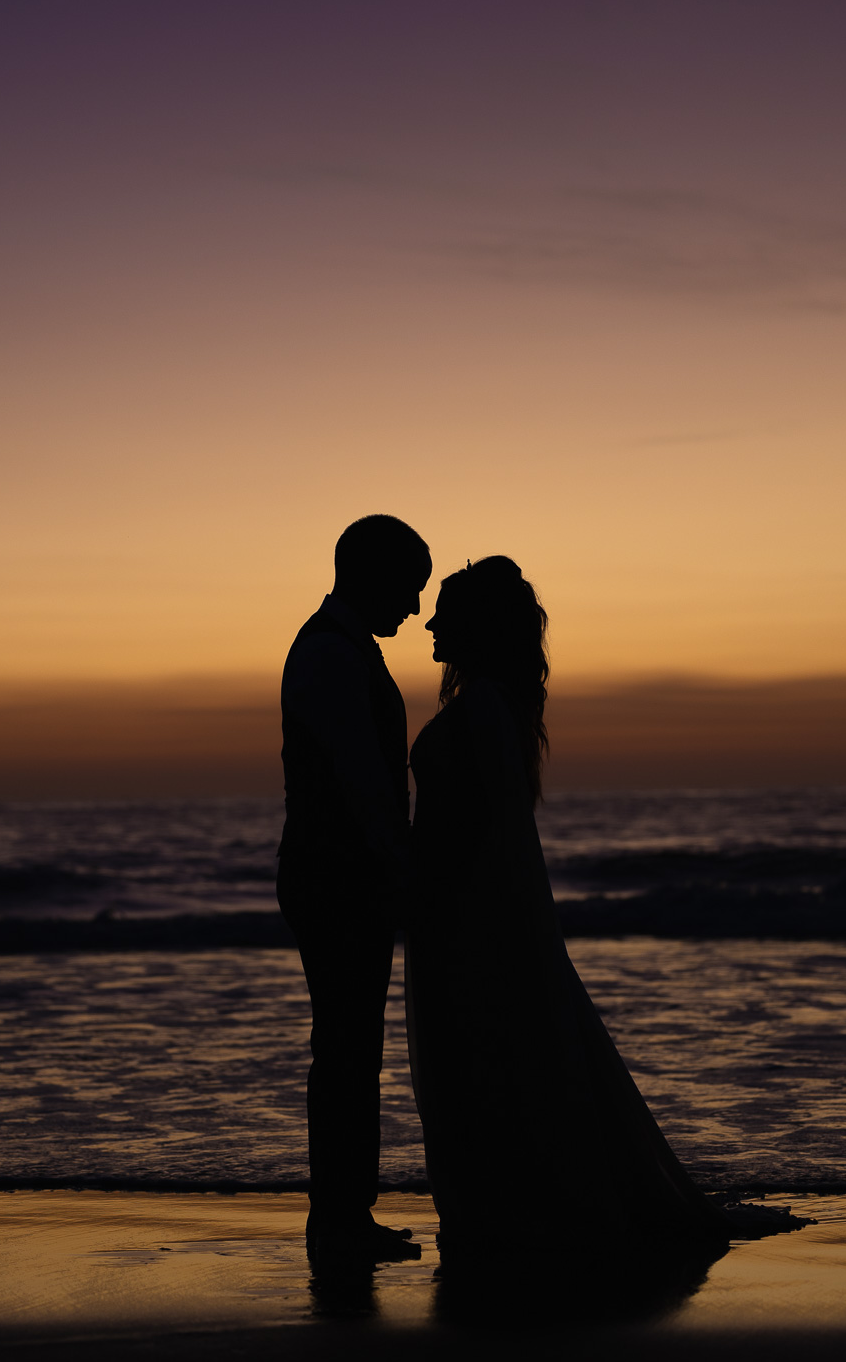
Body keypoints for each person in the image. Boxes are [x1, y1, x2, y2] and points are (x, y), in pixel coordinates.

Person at [406, 556, 797, 1263]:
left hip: (467, 923)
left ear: (479, 626)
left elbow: (499, 838)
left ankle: (510, 1217)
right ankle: (497, 1211)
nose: (430, 623)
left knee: (478, 1066)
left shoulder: (485, 708)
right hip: (451, 917)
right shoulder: (490, 705)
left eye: (446, 612)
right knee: (470, 1068)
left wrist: (489, 926)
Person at [277, 514, 431, 1264]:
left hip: (338, 875)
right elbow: (361, 782)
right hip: (336, 879)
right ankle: (338, 1217)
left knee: (350, 1046)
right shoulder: (331, 656)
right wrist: (399, 866)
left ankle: (344, 1211)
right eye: (409, 588)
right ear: (370, 574)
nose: (414, 607)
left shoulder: (342, 649)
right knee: (346, 1048)